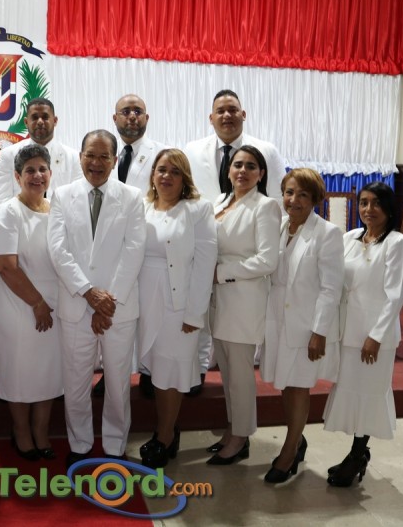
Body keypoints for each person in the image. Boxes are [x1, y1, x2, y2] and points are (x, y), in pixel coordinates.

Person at [48, 129, 146, 467]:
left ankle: (115, 446)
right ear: (80, 157)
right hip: (77, 304)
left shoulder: (132, 197)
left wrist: (108, 302)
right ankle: (79, 444)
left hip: (118, 308)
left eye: (104, 156)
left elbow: (134, 250)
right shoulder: (62, 195)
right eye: (91, 155)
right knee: (76, 383)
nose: (97, 162)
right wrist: (89, 293)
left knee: (118, 384)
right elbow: (58, 250)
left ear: (115, 160)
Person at [323, 181, 403, 488]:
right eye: (364, 202)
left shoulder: (397, 244)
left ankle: (357, 455)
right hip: (348, 330)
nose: (368, 209)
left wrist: (376, 336)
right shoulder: (351, 238)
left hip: (375, 336)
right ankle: (357, 453)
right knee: (352, 391)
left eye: (376, 203)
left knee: (368, 395)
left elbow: (395, 296)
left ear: (389, 207)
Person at [260, 168, 344, 483]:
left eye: (303, 195)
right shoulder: (279, 226)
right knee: (286, 384)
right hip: (278, 320)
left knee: (298, 387)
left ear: (315, 199)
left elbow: (331, 288)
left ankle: (289, 451)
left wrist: (319, 332)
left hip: (306, 324)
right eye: (289, 192)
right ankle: (297, 439)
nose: (294, 200)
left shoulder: (327, 233)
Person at [137, 149, 216, 469]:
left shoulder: (198, 209)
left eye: (175, 171)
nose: (166, 176)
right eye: (161, 169)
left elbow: (205, 263)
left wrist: (194, 313)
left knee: (170, 373)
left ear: (185, 178)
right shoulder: (142, 207)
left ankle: (165, 435)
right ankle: (169, 430)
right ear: (152, 174)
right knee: (157, 372)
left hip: (178, 305)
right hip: (145, 303)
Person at [206, 145, 281, 465]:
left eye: (251, 166)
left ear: (261, 174)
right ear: (228, 170)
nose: (243, 171)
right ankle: (232, 428)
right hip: (218, 300)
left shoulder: (265, 206)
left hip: (243, 301)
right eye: (238, 164)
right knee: (227, 373)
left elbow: (267, 260)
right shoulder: (220, 202)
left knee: (240, 375)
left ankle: (241, 437)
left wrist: (222, 272)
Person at [0, 144, 63, 461]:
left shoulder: (57, 210)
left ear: (50, 173)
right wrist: (37, 303)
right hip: (18, 305)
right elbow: (5, 266)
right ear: (17, 176)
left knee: (47, 372)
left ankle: (41, 431)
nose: (37, 175)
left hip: (53, 306)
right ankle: (21, 432)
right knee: (19, 371)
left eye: (42, 169)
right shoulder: (7, 212)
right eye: (29, 170)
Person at [93, 94, 169, 400]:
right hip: (110, 247)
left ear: (147, 118)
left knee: (148, 315)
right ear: (115, 118)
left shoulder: (160, 153)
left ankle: (149, 371)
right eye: (125, 111)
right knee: (114, 312)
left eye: (138, 111)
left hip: (147, 244)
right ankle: (112, 374)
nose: (132, 116)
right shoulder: (102, 152)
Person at [0, 98, 82, 209]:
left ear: (55, 121)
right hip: (19, 219)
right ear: (26, 122)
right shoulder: (8, 155)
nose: (40, 121)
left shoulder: (73, 157)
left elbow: (77, 202)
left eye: (45, 117)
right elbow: (1, 203)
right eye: (34, 117)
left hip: (60, 219)